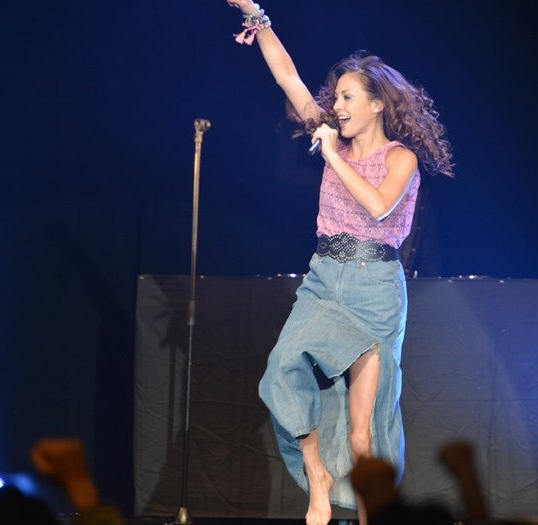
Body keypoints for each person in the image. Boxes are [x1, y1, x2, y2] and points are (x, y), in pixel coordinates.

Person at [225, 2, 454, 525]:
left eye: (348, 97)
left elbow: (379, 207)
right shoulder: (329, 133)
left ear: (377, 104)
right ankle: (318, 476)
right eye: (335, 97)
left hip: (375, 289)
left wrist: (332, 155)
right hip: (325, 280)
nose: (337, 106)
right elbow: (287, 76)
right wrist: (257, 16)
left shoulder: (400, 157)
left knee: (361, 433)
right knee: (280, 371)